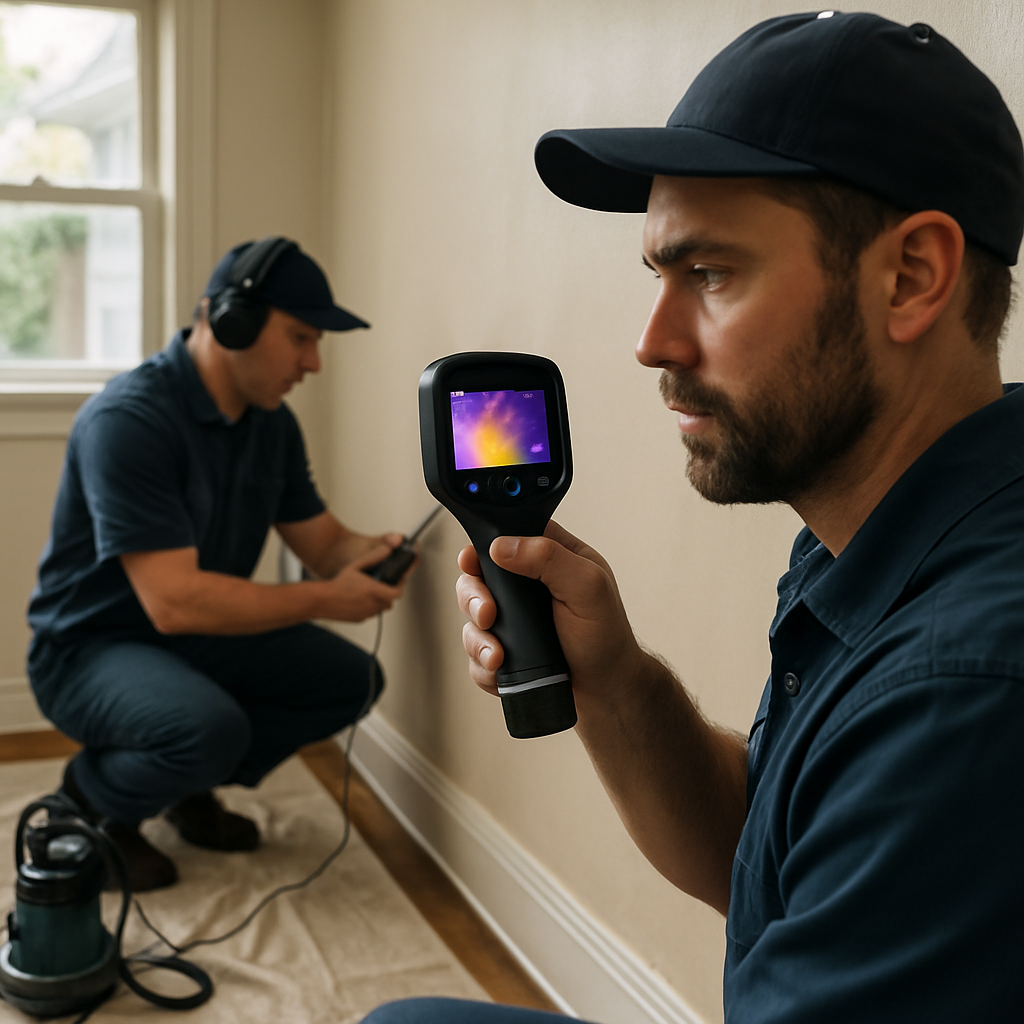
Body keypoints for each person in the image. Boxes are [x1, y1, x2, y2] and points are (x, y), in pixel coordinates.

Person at [360, 12, 1024, 1024]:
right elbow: (757, 857)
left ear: (911, 276)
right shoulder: (873, 535)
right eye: (657, 276)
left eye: (708, 274)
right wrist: (614, 677)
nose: (649, 341)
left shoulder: (964, 689)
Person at [27, 237, 412, 892]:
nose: (313, 362)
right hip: (88, 650)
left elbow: (322, 546)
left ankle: (185, 779)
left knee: (349, 681)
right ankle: (89, 803)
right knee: (208, 727)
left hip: (194, 640)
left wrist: (376, 554)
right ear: (230, 318)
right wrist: (325, 600)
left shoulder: (273, 426)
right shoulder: (130, 421)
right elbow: (173, 602)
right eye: (299, 337)